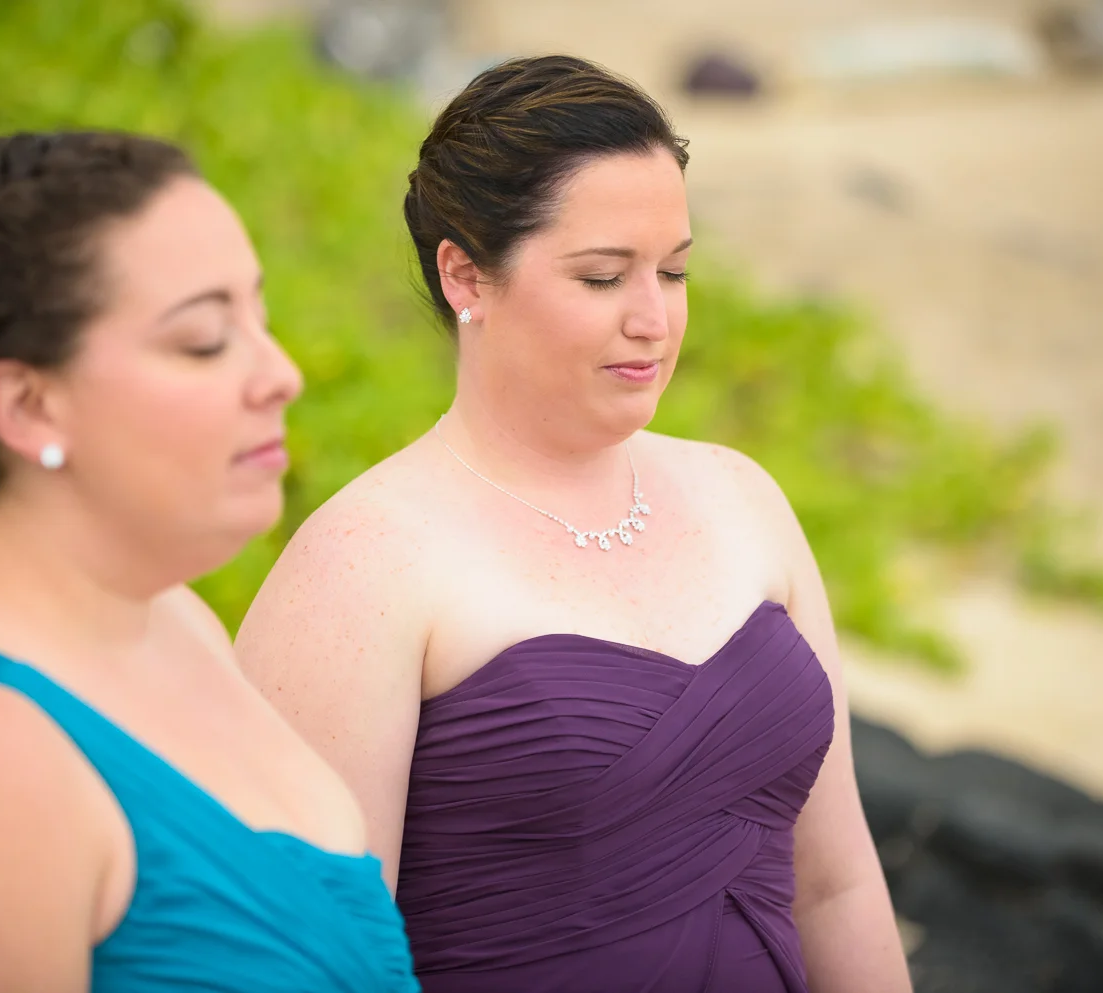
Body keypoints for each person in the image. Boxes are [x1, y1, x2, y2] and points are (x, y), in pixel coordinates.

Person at [235, 56, 912, 992]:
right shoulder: (363, 564)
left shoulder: (741, 496)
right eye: (603, 278)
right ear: (466, 274)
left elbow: (833, 885)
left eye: (673, 272)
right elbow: (307, 965)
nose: (654, 320)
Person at [0, 131, 418, 993]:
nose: (282, 374)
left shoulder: (167, 612)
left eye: (261, 316)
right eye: (207, 339)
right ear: (29, 404)